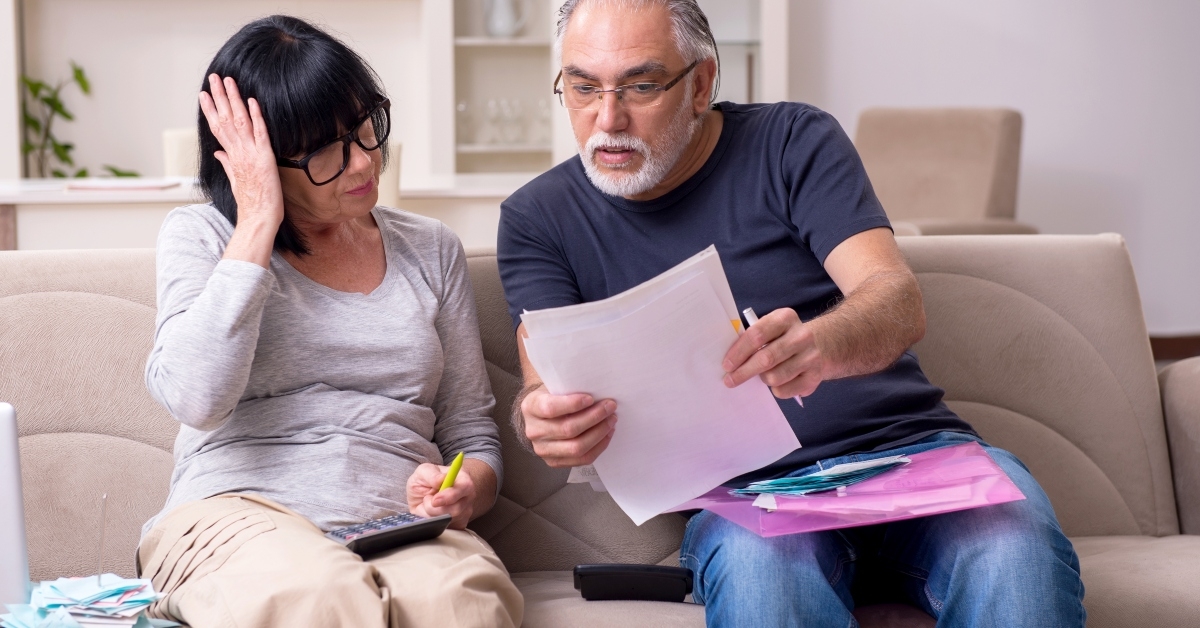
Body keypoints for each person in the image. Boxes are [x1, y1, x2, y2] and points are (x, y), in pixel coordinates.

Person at [497, 1, 1084, 626]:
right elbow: (543, 383)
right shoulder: (538, 220)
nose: (606, 119)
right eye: (583, 87)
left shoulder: (792, 141)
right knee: (763, 578)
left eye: (640, 86)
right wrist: (544, 419)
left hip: (913, 457)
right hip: (755, 500)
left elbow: (895, 297)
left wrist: (820, 344)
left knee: (1013, 549)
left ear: (699, 84)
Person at [138, 16, 522, 628]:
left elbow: (472, 432)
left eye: (367, 128)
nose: (364, 161)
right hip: (238, 511)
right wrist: (258, 220)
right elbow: (195, 396)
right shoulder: (204, 238)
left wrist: (466, 489)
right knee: (322, 595)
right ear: (256, 161)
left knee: (462, 603)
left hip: (394, 518)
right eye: (324, 152)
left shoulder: (431, 249)